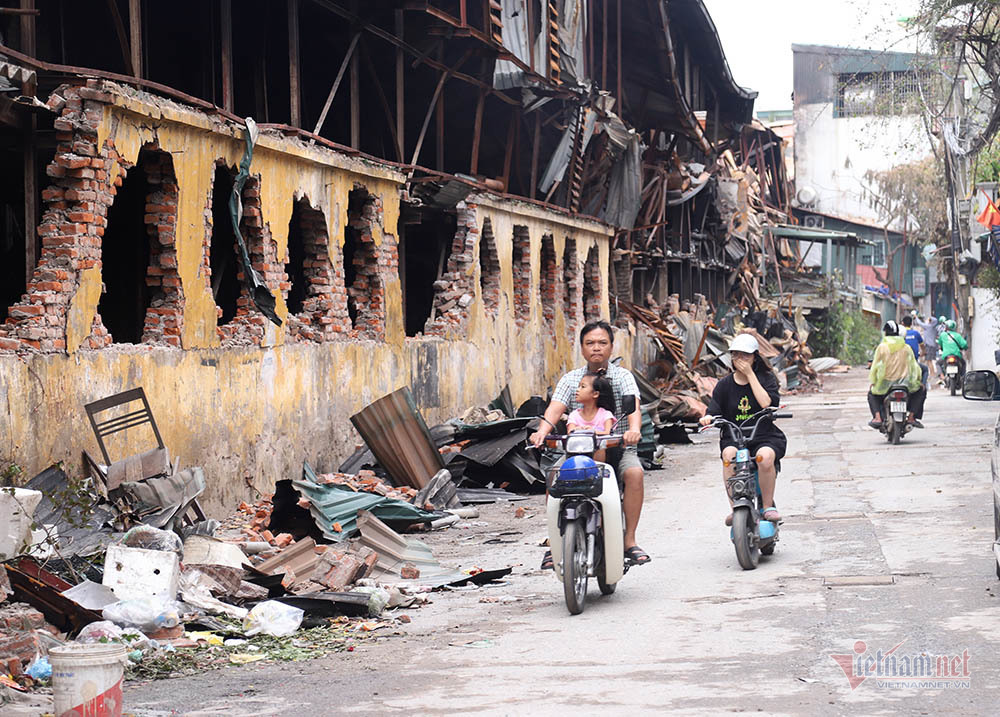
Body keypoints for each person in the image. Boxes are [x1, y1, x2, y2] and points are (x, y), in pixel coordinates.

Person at [530, 320, 649, 567]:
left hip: (618, 446)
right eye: (590, 343)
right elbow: (555, 408)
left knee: (635, 473)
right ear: (582, 349)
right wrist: (542, 431)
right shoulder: (572, 379)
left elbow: (633, 407)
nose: (596, 348)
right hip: (578, 451)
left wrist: (634, 430)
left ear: (611, 347)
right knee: (554, 476)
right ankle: (555, 542)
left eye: (602, 343)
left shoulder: (623, 377)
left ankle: (629, 541)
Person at [698, 333, 786, 526]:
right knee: (729, 457)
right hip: (734, 438)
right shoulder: (724, 385)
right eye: (737, 355)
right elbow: (713, 411)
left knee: (765, 457)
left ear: (755, 356)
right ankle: (735, 507)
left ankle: (768, 506)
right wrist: (707, 418)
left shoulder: (766, 379)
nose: (741, 360)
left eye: (745, 355)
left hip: (763, 436)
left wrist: (750, 375)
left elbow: (766, 403)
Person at [868, 320, 926, 429]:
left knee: (872, 394)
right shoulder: (906, 347)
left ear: (885, 333)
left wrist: (874, 381)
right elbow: (914, 368)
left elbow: (875, 367)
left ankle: (877, 418)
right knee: (921, 390)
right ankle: (912, 417)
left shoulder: (882, 347)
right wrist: (918, 381)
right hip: (905, 383)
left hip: (885, 383)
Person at [566, 373, 616, 463]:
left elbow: (608, 433)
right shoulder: (574, 415)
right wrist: (578, 430)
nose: (577, 390)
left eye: (583, 387)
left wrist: (591, 432)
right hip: (576, 455)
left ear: (595, 394)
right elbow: (570, 432)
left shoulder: (605, 415)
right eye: (578, 386)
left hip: (600, 457)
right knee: (555, 472)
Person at [901, 315, 928, 388]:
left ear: (902, 323)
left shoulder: (899, 334)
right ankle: (923, 386)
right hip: (913, 362)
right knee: (925, 370)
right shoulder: (916, 333)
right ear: (911, 324)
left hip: (901, 362)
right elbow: (922, 346)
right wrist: (923, 352)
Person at [916, 314, 939, 384]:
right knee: (929, 360)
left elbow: (920, 323)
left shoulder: (929, 326)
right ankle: (932, 373)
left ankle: (932, 374)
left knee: (929, 360)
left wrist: (916, 317)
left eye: (928, 320)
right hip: (931, 345)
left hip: (929, 345)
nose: (926, 321)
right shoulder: (933, 327)